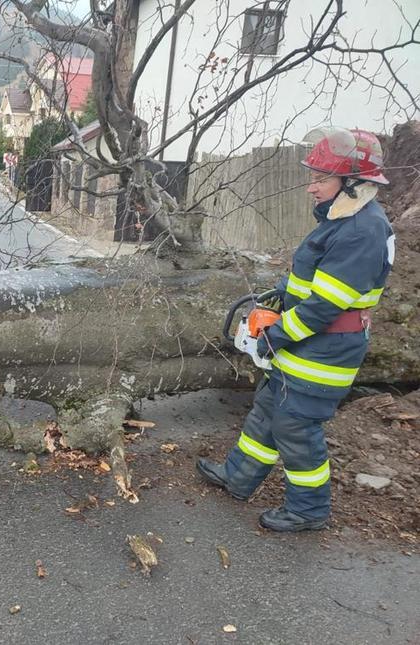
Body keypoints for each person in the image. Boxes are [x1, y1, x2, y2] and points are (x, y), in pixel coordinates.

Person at [197, 127, 396, 532]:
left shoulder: (362, 230)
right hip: (310, 339)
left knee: (296, 424)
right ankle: (238, 477)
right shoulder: (341, 219)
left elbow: (325, 305)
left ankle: (309, 510)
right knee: (270, 406)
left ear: (354, 183)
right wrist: (279, 294)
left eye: (321, 178)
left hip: (327, 346)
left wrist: (277, 333)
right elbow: (311, 281)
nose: (311, 187)